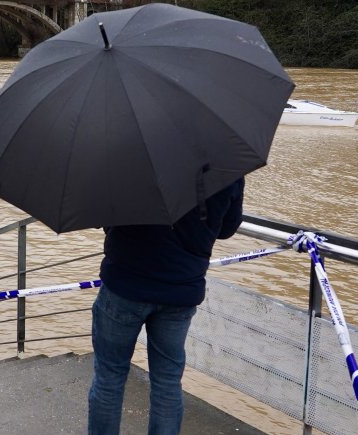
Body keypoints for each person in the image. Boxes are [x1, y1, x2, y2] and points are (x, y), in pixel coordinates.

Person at [87, 176, 245, 435]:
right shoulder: (225, 165)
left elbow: (103, 214)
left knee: (109, 377)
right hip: (180, 291)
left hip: (125, 284)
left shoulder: (128, 161)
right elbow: (227, 228)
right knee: (167, 382)